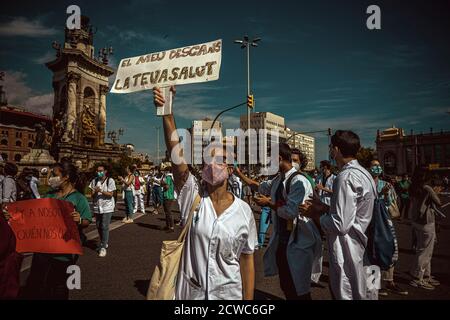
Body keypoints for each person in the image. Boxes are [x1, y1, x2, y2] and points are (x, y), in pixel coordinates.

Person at [153, 86, 257, 300]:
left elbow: (247, 260)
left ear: (230, 168)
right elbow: (177, 157)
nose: (212, 165)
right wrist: (167, 112)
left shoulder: (244, 211)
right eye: (207, 160)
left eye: (219, 160)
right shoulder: (193, 195)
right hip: (192, 294)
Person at [236, 142, 322, 300]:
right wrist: (239, 174)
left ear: (279, 158)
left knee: (300, 291)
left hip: (299, 242)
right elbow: (260, 187)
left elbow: (290, 212)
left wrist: (268, 203)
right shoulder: (278, 179)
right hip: (283, 243)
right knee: (287, 285)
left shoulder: (299, 182)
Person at [300, 130, 376, 300]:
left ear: (336, 149)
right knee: (370, 293)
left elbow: (341, 224)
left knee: (348, 293)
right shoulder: (364, 173)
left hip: (349, 252)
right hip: (365, 250)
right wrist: (325, 207)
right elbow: (353, 212)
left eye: (330, 148)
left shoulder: (346, 177)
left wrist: (314, 214)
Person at [22, 160, 92, 299]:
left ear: (65, 177)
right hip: (43, 249)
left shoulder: (79, 198)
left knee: (59, 286)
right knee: (37, 283)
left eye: (54, 174)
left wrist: (79, 219)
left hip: (63, 252)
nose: (51, 178)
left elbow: (86, 221)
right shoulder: (49, 195)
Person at [369, 160, 408, 296]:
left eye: (378, 165)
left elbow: (391, 204)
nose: (377, 167)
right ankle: (373, 285)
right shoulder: (365, 184)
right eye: (374, 165)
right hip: (368, 224)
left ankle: (389, 281)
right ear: (368, 168)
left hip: (385, 222)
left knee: (390, 249)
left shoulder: (386, 185)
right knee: (371, 253)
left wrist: (385, 194)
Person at [409, 172, 443, 290]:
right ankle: (417, 278)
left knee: (422, 250)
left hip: (416, 221)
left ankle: (426, 276)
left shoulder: (413, 187)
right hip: (426, 222)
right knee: (425, 252)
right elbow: (439, 202)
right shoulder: (427, 188)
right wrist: (436, 192)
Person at [89, 164, 116, 257]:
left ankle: (103, 246)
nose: (99, 172)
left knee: (104, 226)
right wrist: (95, 191)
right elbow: (92, 195)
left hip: (107, 207)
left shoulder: (110, 180)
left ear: (105, 171)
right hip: (97, 206)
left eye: (101, 171)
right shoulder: (94, 181)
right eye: (97, 171)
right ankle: (103, 241)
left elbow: (110, 194)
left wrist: (100, 190)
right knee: (98, 226)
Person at [161, 164, 176, 232]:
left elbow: (166, 187)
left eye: (165, 171)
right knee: (167, 212)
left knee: (168, 212)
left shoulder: (168, 177)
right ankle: (168, 226)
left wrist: (162, 182)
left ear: (168, 171)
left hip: (168, 196)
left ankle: (171, 227)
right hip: (168, 196)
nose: (164, 172)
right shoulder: (170, 177)